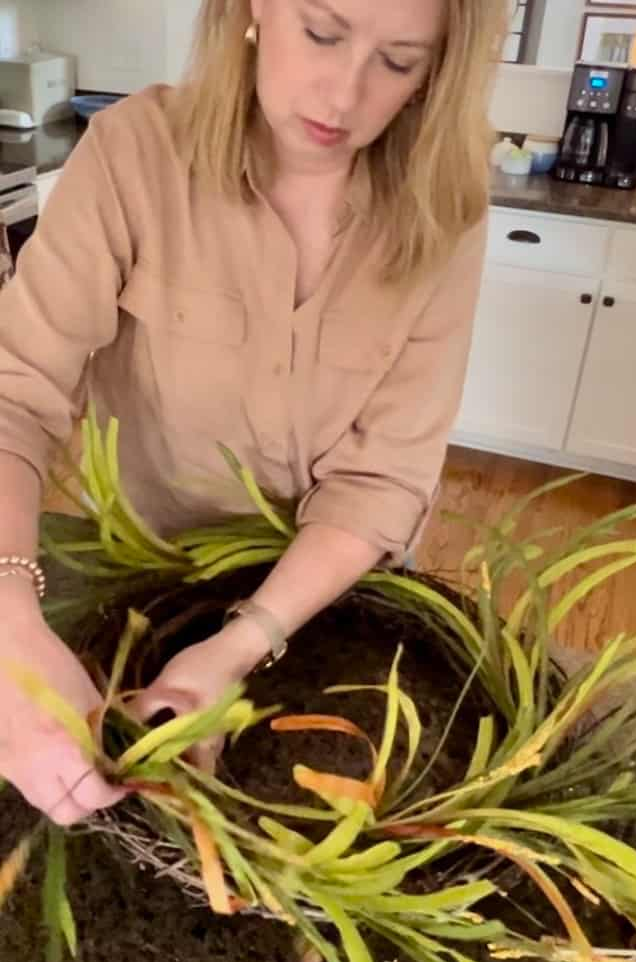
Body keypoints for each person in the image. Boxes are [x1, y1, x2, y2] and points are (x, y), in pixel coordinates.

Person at [0, 0, 503, 826]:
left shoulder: (447, 207)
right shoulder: (136, 154)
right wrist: (9, 620)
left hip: (334, 600)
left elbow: (381, 480)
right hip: (148, 581)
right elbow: (15, 393)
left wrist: (240, 645)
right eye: (323, 32)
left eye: (399, 61)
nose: (343, 98)